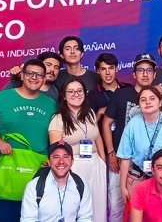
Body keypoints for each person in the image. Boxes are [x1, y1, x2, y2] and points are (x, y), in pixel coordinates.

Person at [0, 59, 57, 221]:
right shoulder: (2, 98)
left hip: (38, 169)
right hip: (7, 167)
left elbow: (57, 133)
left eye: (39, 75)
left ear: (44, 78)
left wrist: (52, 158)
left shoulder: (52, 104)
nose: (34, 78)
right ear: (22, 75)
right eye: (30, 73)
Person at [102, 52, 157, 222]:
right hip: (121, 160)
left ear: (155, 74)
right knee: (116, 205)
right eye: (141, 70)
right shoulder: (121, 94)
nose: (145, 74)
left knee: (148, 209)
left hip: (148, 164)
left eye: (149, 70)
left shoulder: (159, 97)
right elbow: (105, 124)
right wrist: (111, 153)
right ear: (134, 74)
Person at [49, 77, 107, 222]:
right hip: (74, 167)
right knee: (74, 208)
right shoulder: (58, 119)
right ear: (64, 95)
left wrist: (102, 161)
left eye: (79, 91)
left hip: (95, 165)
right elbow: (57, 152)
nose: (76, 94)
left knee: (98, 207)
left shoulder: (90, 113)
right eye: (71, 91)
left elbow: (97, 137)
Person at [117, 86, 162, 203]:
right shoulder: (133, 124)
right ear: (139, 104)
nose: (148, 102)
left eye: (152, 98)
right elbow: (125, 157)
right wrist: (123, 187)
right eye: (143, 100)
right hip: (137, 177)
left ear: (160, 102)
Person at [21, 140, 93, 222]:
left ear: (72, 161)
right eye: (56, 157)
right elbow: (28, 219)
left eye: (66, 157)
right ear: (49, 162)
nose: (61, 161)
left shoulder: (81, 184)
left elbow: (85, 218)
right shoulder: (33, 186)